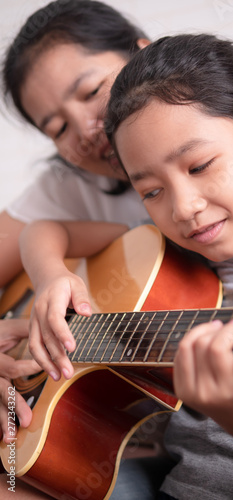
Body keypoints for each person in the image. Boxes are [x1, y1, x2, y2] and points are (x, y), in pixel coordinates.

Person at [18, 34, 233, 499]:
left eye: (200, 165)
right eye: (151, 191)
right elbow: (42, 230)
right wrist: (50, 278)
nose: (183, 208)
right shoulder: (164, 260)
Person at [0, 0, 152, 445]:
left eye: (91, 92)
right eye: (57, 128)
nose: (86, 129)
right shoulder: (66, 186)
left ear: (143, 54)